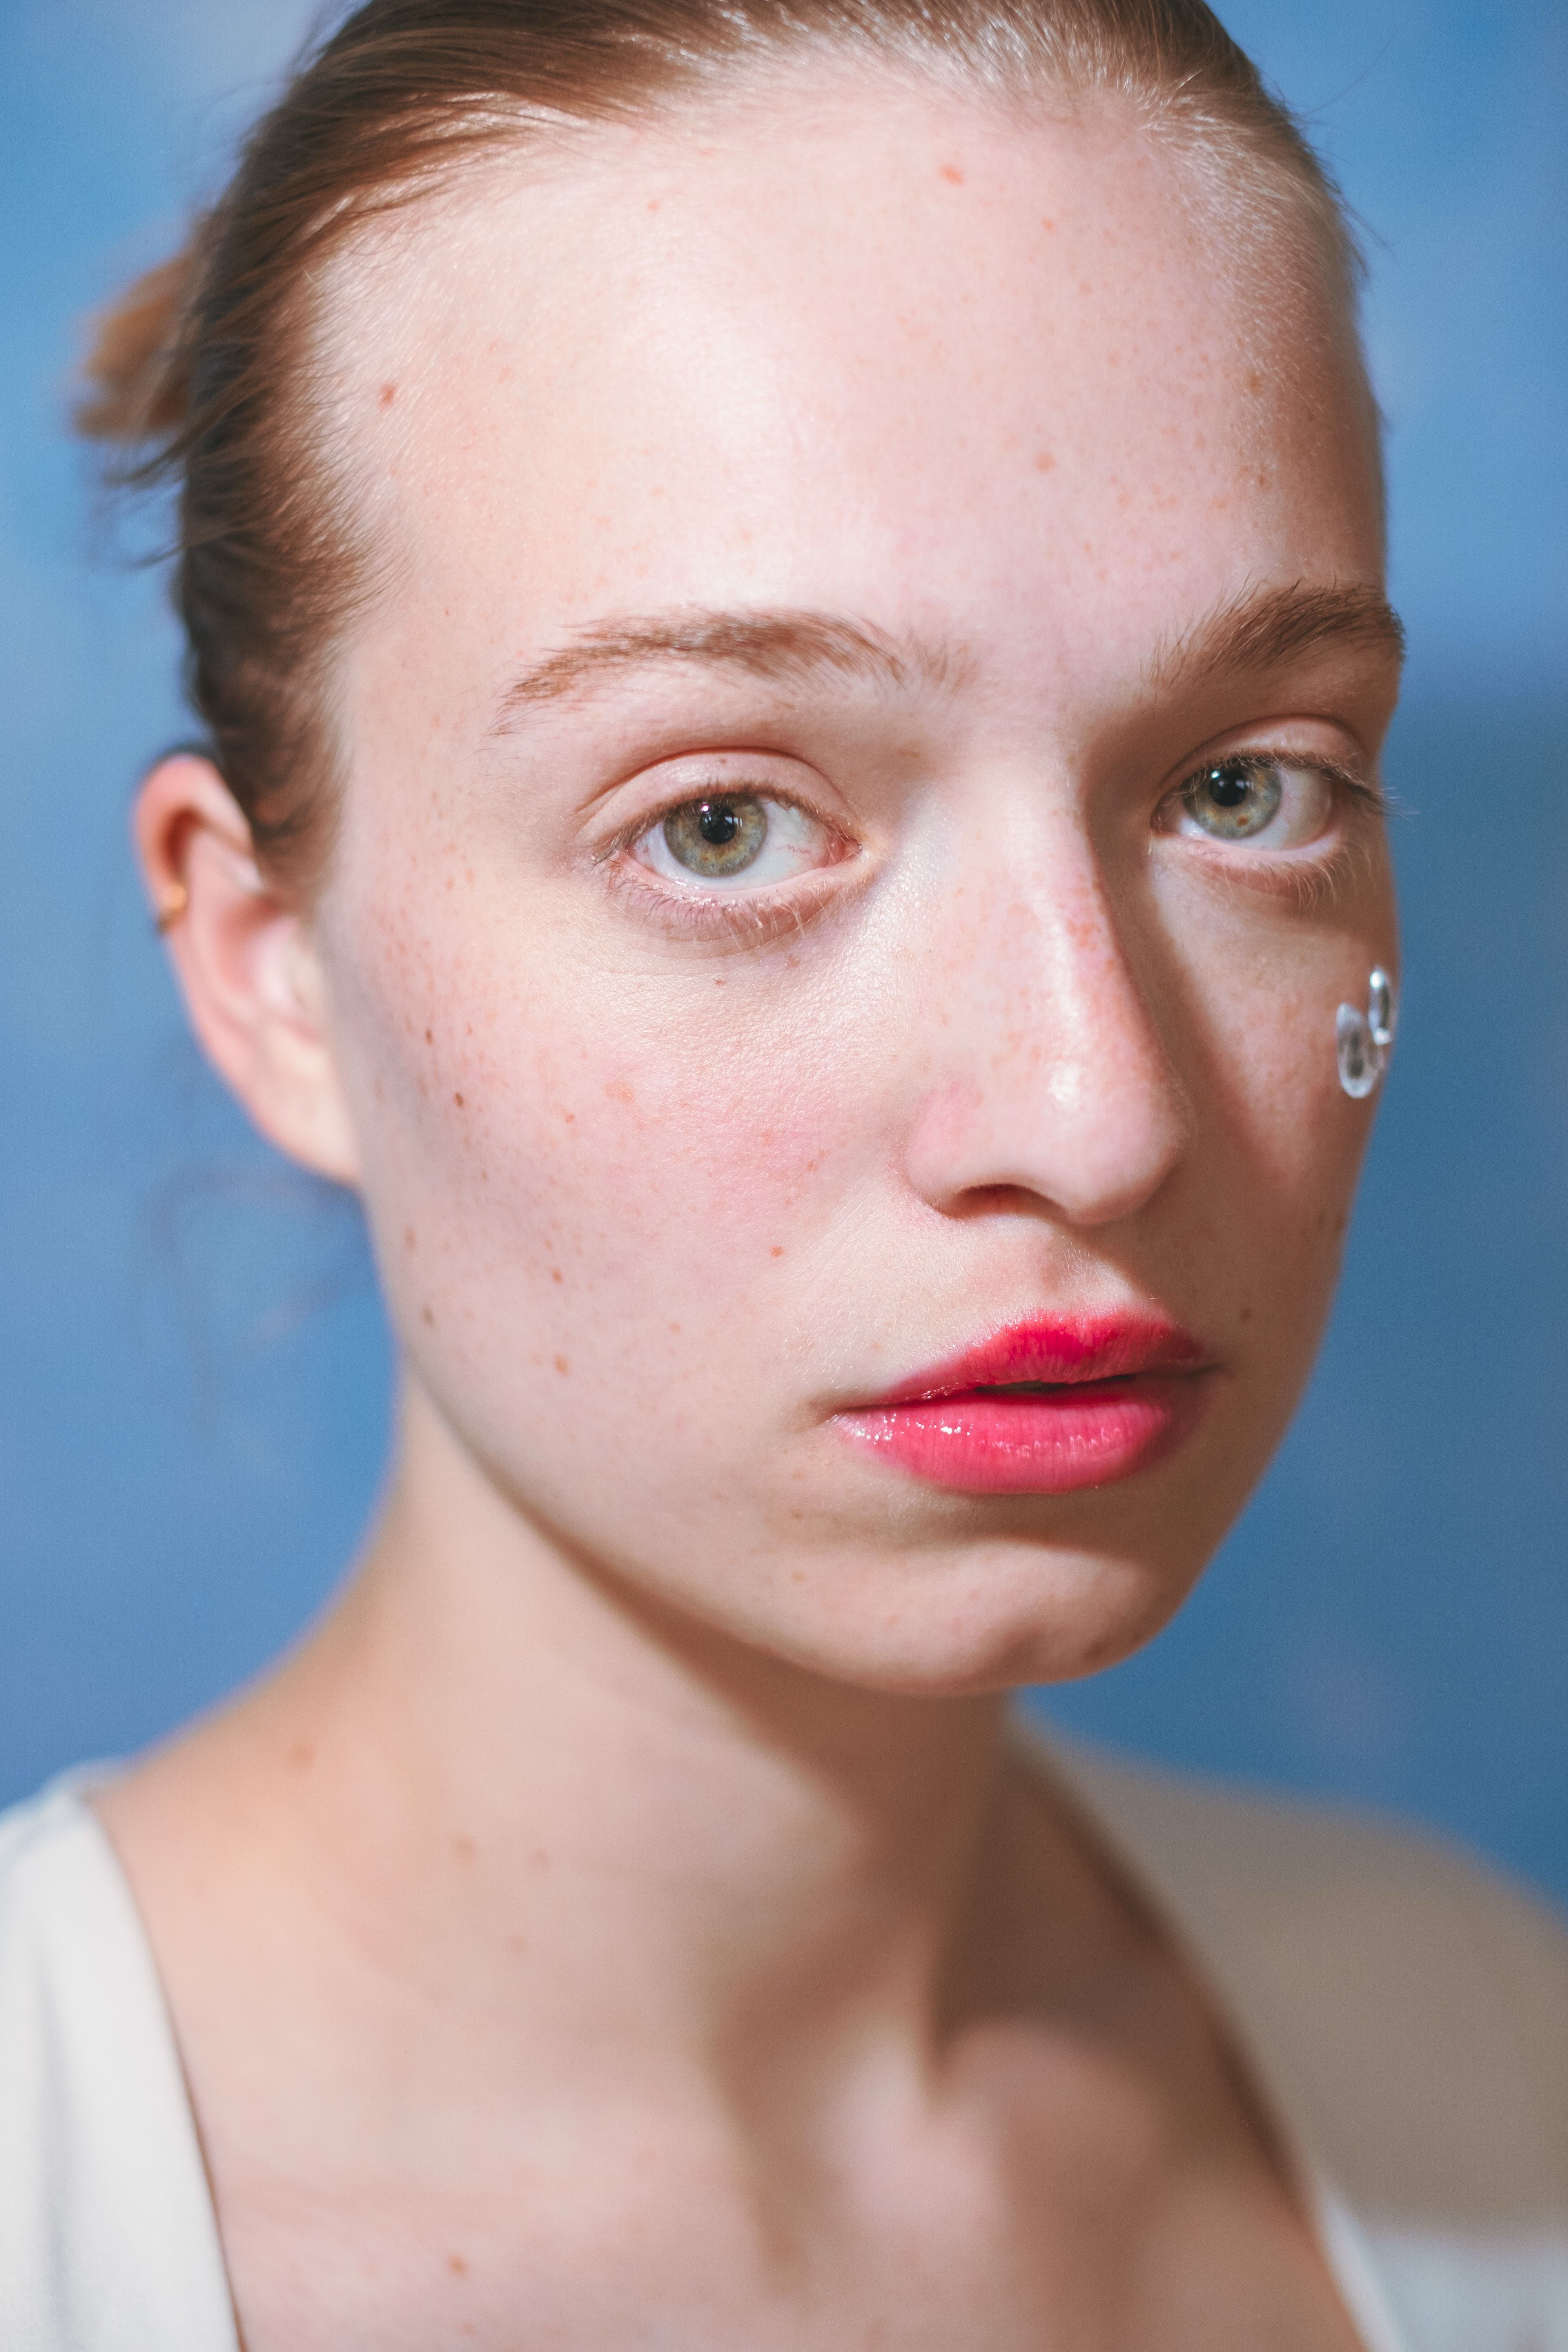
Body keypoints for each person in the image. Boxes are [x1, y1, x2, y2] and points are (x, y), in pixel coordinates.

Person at [2, 0, 1564, 2344]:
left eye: (1245, 787)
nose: (1099, 1113)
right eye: (724, 824)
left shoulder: (1498, 2068)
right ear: (270, 975)